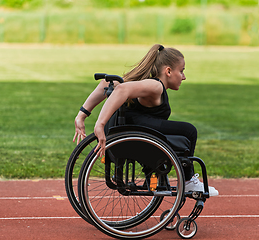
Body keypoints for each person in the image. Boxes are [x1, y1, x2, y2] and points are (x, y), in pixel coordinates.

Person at [73, 44, 218, 197]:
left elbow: (106, 84)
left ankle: (157, 174)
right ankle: (189, 180)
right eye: (181, 71)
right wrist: (99, 124)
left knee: (167, 132)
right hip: (128, 134)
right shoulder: (156, 86)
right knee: (189, 131)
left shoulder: (147, 83)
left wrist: (82, 115)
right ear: (168, 71)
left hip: (124, 130)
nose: (184, 77)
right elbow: (122, 89)